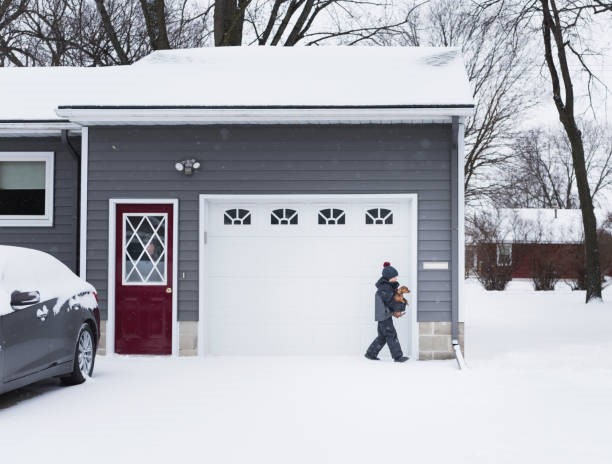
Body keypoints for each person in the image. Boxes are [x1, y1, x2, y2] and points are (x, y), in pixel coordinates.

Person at [364, 262, 409, 362]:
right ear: (388, 277)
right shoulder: (385, 288)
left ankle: (370, 353)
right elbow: (391, 302)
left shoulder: (387, 287)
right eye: (394, 277)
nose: (396, 279)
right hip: (384, 315)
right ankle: (398, 356)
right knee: (391, 334)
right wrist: (401, 306)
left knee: (383, 336)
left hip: (383, 315)